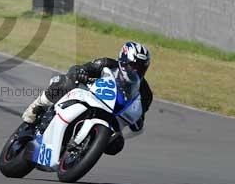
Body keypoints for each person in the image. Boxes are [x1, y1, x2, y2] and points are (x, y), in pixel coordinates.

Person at [21, 41, 152, 133]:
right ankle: (38, 105)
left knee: (117, 145)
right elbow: (79, 69)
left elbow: (139, 115)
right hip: (88, 95)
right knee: (66, 82)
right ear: (123, 61)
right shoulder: (106, 64)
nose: (135, 71)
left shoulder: (145, 92)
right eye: (133, 66)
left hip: (111, 114)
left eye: (140, 68)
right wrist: (80, 72)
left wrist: (137, 121)